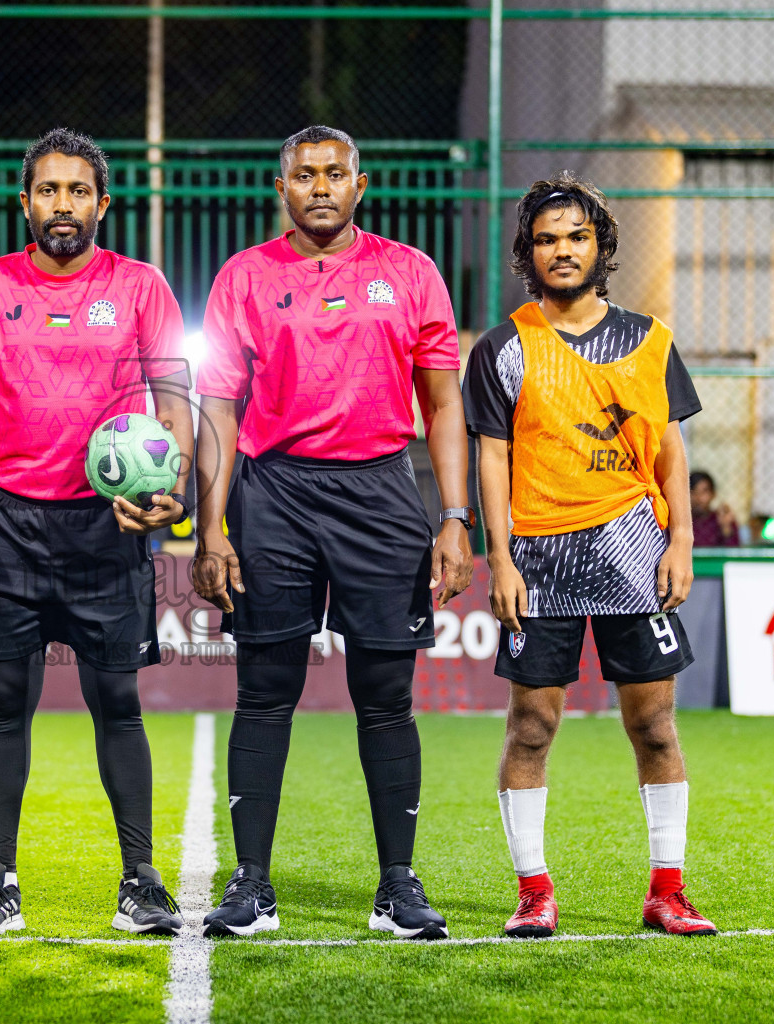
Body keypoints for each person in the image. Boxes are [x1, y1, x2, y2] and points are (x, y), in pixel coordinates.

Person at [193, 125, 473, 940]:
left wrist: (455, 517)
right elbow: (217, 407)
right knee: (265, 692)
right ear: (282, 187)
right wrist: (210, 528)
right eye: (305, 174)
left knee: (386, 698)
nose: (320, 186)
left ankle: (397, 884)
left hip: (381, 490)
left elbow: (445, 402)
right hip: (273, 492)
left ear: (360, 182)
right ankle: (251, 885)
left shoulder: (410, 273)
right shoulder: (244, 277)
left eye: (335, 173)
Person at [0, 128, 192, 937]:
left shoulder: (141, 286)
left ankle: (142, 881)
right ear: (25, 203)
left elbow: (174, 403)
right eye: (48, 191)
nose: (62, 205)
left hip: (104, 526)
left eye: (78, 191)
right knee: (5, 703)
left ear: (102, 204)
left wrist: (168, 489)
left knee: (116, 700)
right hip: (7, 522)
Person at [462, 172, 716, 939]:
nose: (562, 250)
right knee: (532, 726)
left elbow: (671, 453)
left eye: (576, 236)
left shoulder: (650, 340)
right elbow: (493, 461)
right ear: (528, 253)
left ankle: (666, 891)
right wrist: (498, 558)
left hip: (634, 551)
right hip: (537, 562)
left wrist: (681, 539)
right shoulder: (504, 347)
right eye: (546, 240)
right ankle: (534, 892)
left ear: (600, 245)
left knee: (656, 728)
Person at [690, 471, 740, 547]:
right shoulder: (682, 522)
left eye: (704, 492)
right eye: (694, 492)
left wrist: (726, 527)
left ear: (713, 494)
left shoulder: (721, 520)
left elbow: (733, 553)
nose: (698, 498)